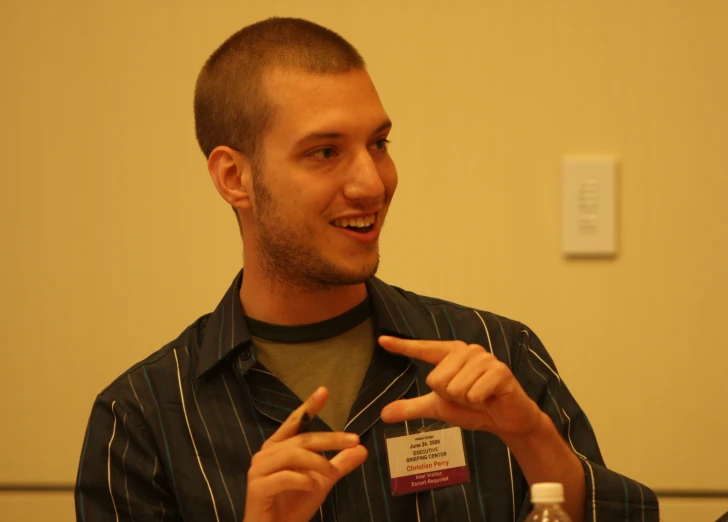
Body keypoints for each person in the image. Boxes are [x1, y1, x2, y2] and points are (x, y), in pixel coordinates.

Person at [75, 17, 659, 522]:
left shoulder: (496, 351)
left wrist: (531, 438)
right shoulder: (144, 418)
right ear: (235, 178)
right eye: (325, 152)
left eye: (378, 143)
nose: (372, 183)